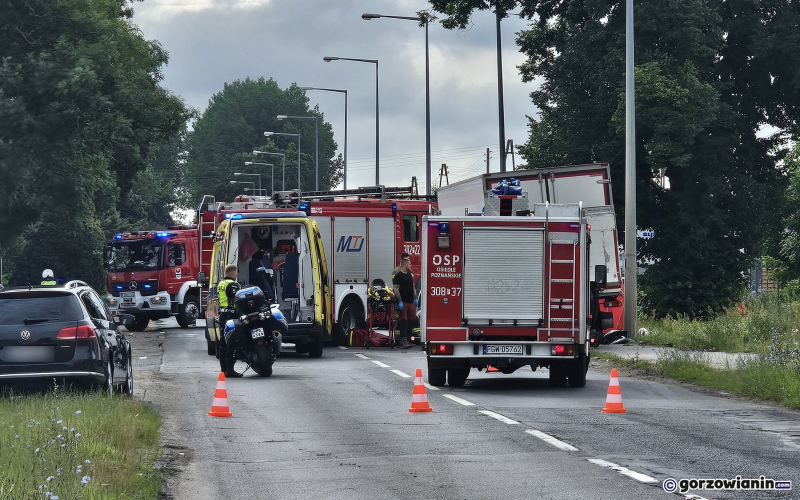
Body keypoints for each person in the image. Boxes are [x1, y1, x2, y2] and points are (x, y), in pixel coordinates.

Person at [216, 264, 242, 377]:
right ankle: (230, 370)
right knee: (232, 343)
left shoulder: (221, 284)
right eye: (236, 272)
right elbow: (238, 298)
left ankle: (224, 369)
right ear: (233, 273)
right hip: (231, 315)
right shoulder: (233, 285)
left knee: (223, 342)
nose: (236, 275)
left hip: (223, 315)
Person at [392, 257, 417, 349]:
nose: (410, 265)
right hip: (404, 301)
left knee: (412, 320)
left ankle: (410, 338)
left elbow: (413, 286)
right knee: (403, 321)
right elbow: (396, 289)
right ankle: (403, 340)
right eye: (409, 264)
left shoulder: (410, 274)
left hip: (411, 301)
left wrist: (415, 297)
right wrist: (399, 301)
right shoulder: (398, 276)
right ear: (405, 264)